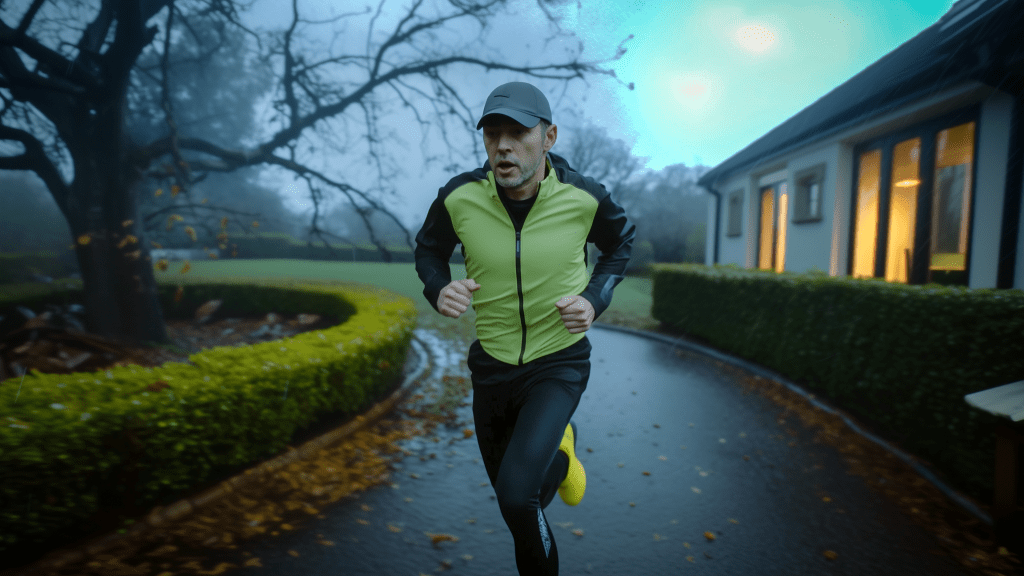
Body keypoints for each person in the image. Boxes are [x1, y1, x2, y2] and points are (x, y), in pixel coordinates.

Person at [414, 81, 635, 576]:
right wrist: (438, 287)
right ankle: (562, 457)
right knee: (518, 503)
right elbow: (428, 250)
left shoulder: (583, 197)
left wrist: (593, 299)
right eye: (493, 134)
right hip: (491, 365)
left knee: (517, 500)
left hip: (558, 363)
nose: (503, 146)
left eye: (517, 133)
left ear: (549, 136)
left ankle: (555, 450)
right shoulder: (459, 197)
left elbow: (621, 244)